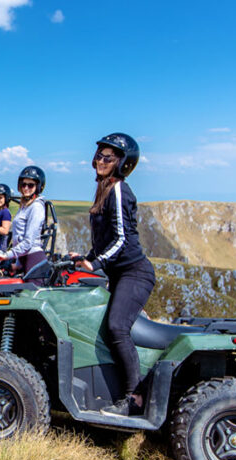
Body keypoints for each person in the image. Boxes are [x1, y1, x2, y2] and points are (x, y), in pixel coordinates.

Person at [71, 133, 154, 417]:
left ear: (122, 163)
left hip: (134, 273)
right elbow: (102, 242)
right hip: (120, 274)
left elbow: (121, 239)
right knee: (103, 326)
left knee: (118, 327)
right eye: (99, 156)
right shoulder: (104, 189)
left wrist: (98, 264)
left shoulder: (118, 189)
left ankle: (135, 398)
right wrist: (85, 258)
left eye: (108, 157)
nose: (101, 161)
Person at [0, 166, 47, 279]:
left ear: (38, 187)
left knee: (30, 296)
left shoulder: (36, 207)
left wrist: (5, 256)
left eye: (30, 185)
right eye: (23, 184)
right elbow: (19, 238)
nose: (26, 188)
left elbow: (28, 242)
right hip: (23, 259)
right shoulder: (25, 206)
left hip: (33, 259)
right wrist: (16, 265)